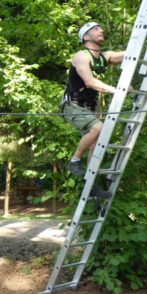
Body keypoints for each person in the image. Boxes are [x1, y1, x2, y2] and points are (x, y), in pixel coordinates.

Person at [61, 22, 125, 197]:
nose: (101, 30)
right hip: (72, 106)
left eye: (101, 28)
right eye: (96, 29)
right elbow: (89, 81)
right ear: (86, 37)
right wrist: (117, 90)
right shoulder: (81, 56)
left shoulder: (105, 57)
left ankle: (91, 185)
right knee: (99, 128)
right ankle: (74, 161)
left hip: (89, 109)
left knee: (96, 145)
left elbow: (129, 55)